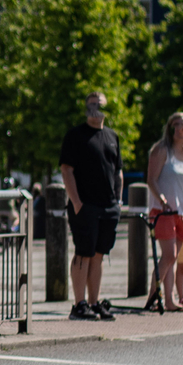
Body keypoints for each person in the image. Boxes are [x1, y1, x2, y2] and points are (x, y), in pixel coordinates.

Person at [57, 91, 121, 321]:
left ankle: (94, 303)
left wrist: (118, 201)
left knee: (98, 255)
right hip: (85, 206)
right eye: (91, 104)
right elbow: (66, 169)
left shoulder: (112, 136)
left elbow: (118, 171)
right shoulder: (75, 136)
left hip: (108, 206)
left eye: (100, 104)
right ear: (86, 108)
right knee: (83, 253)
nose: (95, 108)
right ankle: (79, 304)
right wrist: (76, 203)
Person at [145, 111, 183, 313]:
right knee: (169, 255)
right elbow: (151, 179)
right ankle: (154, 296)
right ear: (170, 128)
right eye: (177, 125)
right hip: (164, 210)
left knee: (173, 257)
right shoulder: (162, 150)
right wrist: (162, 200)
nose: (181, 129)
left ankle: (168, 300)